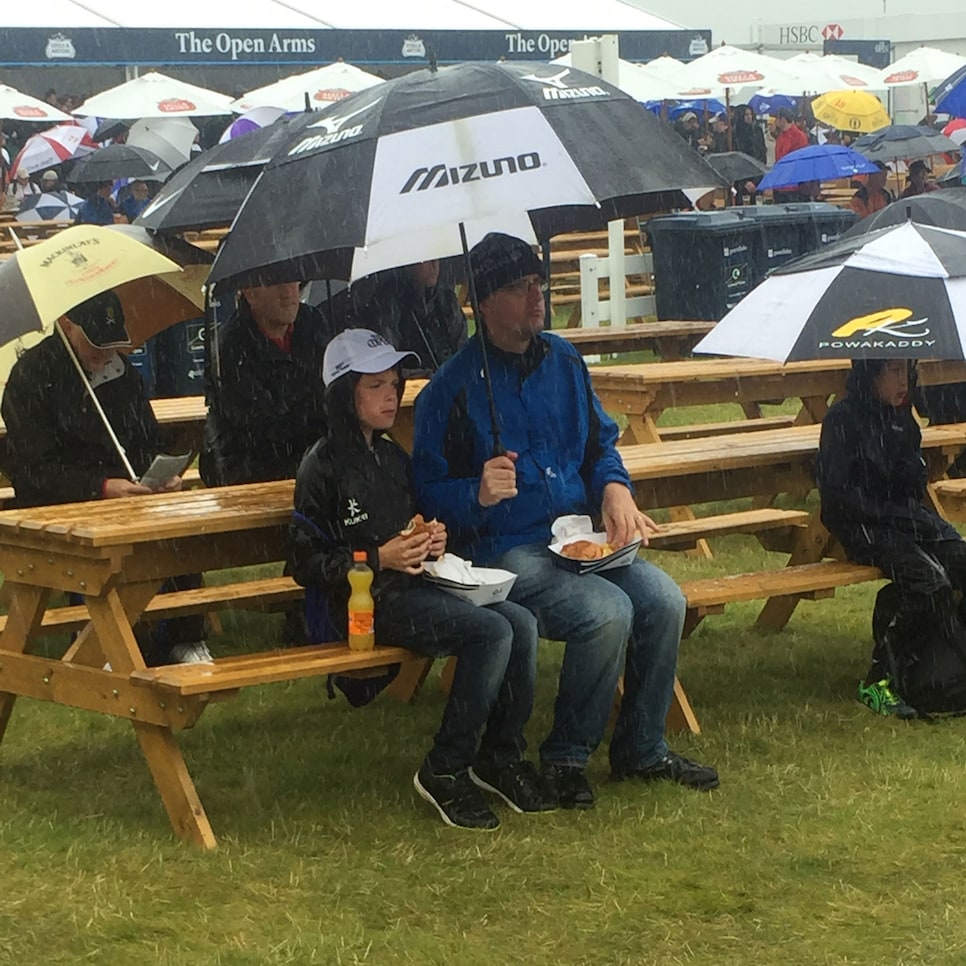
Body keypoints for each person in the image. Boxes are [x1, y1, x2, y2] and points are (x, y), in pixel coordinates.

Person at [412, 233, 719, 809]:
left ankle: (642, 747)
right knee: (607, 612)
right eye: (515, 287)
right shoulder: (449, 391)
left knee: (664, 599)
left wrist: (614, 489)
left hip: (582, 538)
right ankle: (565, 759)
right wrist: (474, 491)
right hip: (504, 551)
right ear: (478, 302)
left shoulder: (565, 359)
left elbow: (601, 444)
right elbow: (424, 496)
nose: (535, 295)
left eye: (537, 282)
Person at [288, 328, 548, 830]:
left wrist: (432, 539)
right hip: (364, 605)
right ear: (344, 396)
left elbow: (415, 525)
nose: (393, 394)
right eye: (376, 386)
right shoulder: (319, 467)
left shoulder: (391, 457)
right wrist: (375, 557)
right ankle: (445, 770)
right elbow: (305, 563)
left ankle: (500, 756)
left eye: (396, 383)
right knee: (491, 632)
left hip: (416, 588)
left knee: (519, 619)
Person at [0, 290, 211, 666]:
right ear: (66, 325)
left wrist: (160, 476)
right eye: (96, 345)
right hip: (64, 506)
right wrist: (100, 487)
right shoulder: (30, 379)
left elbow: (145, 438)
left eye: (112, 345)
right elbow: (32, 473)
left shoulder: (123, 373)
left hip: (128, 495)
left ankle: (185, 632)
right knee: (99, 546)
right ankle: (102, 642)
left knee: (179, 527)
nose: (106, 356)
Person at [816, 359, 966, 718]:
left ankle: (950, 664)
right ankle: (878, 678)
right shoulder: (841, 420)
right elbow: (837, 497)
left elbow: (911, 488)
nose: (903, 382)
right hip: (860, 525)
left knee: (961, 559)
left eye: (907, 372)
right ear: (871, 374)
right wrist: (888, 509)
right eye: (894, 372)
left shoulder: (902, 418)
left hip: (902, 518)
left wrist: (907, 457)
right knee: (929, 585)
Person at [200, 281, 337, 487]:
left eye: (294, 281)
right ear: (249, 292)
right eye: (276, 284)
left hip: (315, 461)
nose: (289, 292)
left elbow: (334, 392)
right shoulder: (229, 348)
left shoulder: (313, 321)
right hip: (252, 473)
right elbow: (262, 429)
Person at [347, 259, 468, 376]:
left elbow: (462, 349)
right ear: (410, 264)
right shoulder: (389, 302)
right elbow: (387, 361)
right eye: (426, 260)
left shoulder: (446, 299)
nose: (435, 266)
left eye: (436, 259)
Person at [773, 107, 810, 202]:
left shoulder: (799, 136)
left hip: (793, 184)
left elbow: (800, 160)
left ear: (783, 120)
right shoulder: (781, 136)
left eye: (776, 119)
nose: (775, 122)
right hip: (780, 183)